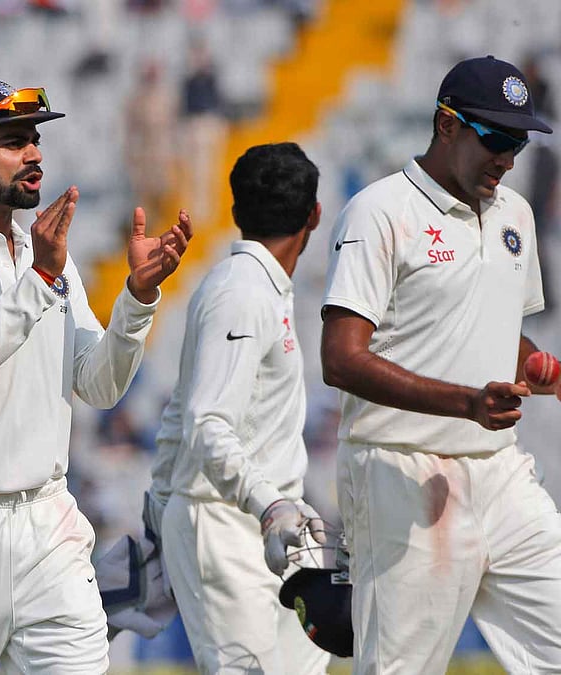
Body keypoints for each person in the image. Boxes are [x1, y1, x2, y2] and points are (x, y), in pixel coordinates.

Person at [0, 79, 191, 673]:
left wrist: (137, 299)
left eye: (36, 140)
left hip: (49, 521)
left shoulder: (48, 254)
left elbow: (98, 383)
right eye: (14, 141)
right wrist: (39, 282)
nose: (35, 154)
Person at [321, 55, 561, 673]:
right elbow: (342, 360)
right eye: (496, 138)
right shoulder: (379, 211)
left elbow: (498, 332)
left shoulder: (515, 215)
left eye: (520, 141)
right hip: (402, 474)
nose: (509, 157)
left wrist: (546, 373)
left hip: (502, 475)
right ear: (446, 124)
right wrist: (467, 403)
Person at [148, 142, 330, 674]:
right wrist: (268, 504)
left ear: (235, 213)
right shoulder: (240, 291)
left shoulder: (260, 287)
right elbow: (205, 422)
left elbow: (182, 409)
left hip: (275, 520)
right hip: (227, 524)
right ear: (314, 214)